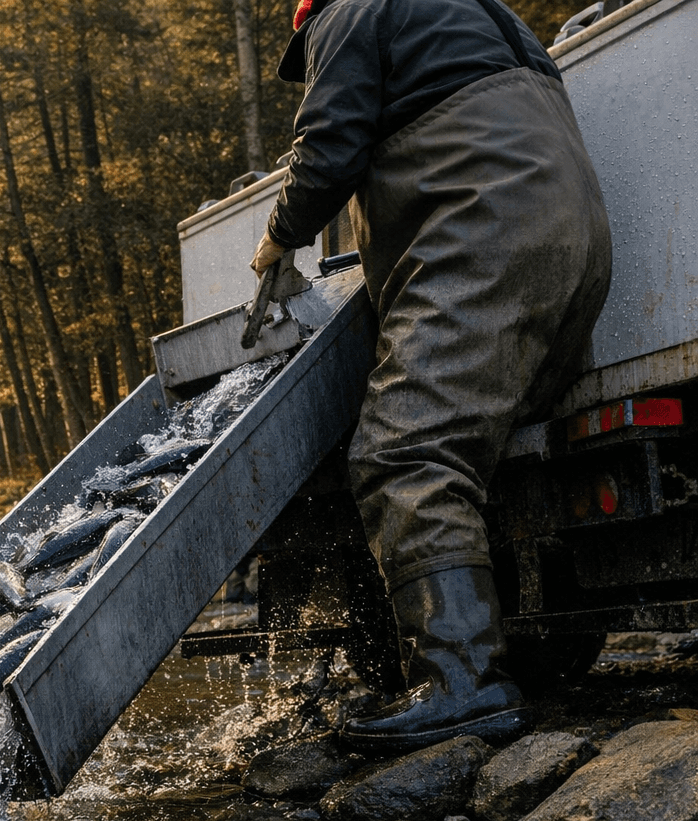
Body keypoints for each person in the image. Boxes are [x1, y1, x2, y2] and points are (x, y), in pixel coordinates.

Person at [254, 0, 611, 752]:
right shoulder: (487, 18)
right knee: (469, 451)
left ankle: (465, 686)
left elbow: (328, 144)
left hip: (488, 224)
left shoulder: (349, 9)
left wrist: (277, 239)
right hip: (570, 231)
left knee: (407, 453)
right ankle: (487, 659)